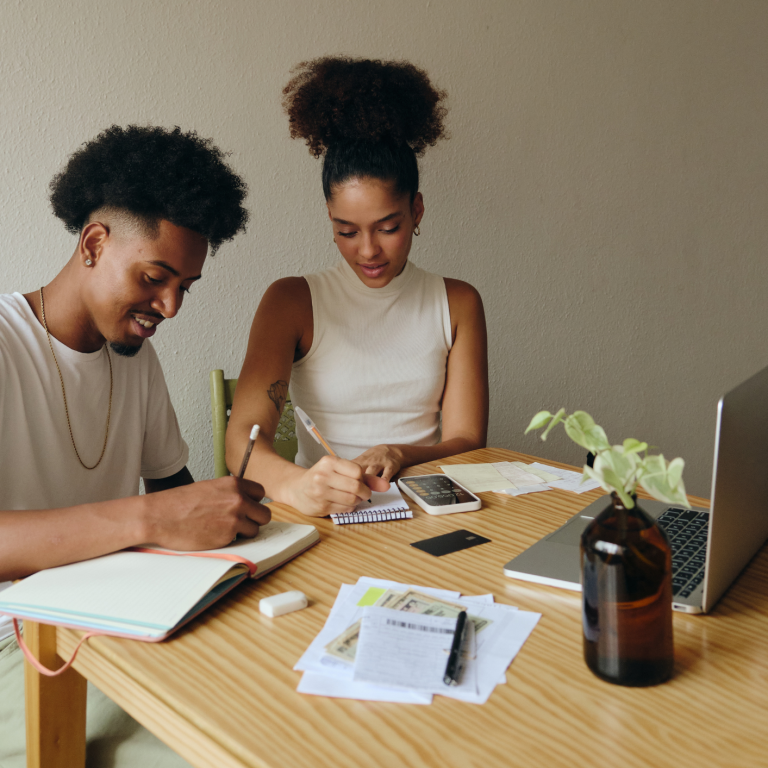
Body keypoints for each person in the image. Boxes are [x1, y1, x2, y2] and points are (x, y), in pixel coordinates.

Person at [0, 125, 270, 767]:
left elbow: (178, 498)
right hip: (15, 644)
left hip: (115, 621)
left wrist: (233, 516)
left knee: (279, 703)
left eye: (186, 286)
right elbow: (161, 514)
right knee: (213, 751)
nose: (171, 307)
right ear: (94, 242)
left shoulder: (133, 357)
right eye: (156, 277)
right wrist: (152, 519)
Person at [227, 57, 489, 517]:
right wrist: (301, 486)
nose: (367, 250)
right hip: (327, 519)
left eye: (387, 227)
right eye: (347, 231)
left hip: (425, 514)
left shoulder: (458, 302)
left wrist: (401, 452)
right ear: (329, 218)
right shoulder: (292, 302)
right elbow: (242, 444)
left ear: (418, 211)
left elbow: (468, 443)